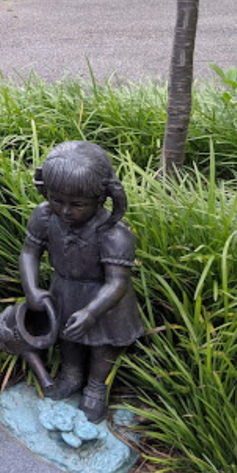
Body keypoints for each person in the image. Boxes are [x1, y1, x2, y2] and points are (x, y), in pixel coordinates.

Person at [19, 141, 144, 422]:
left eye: (77, 204)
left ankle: (97, 387)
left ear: (101, 199)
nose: (64, 210)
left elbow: (117, 283)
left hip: (104, 300)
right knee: (68, 337)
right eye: (57, 199)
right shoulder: (44, 216)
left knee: (102, 344)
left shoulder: (113, 234)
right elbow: (29, 252)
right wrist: (32, 289)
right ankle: (71, 374)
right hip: (65, 288)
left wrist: (91, 312)